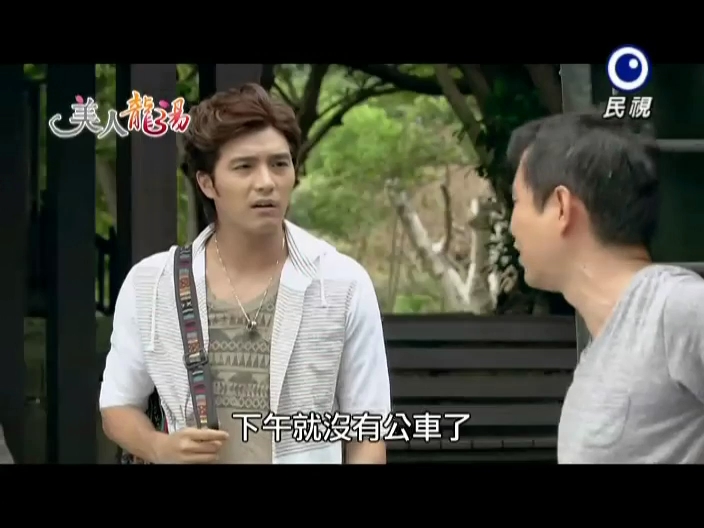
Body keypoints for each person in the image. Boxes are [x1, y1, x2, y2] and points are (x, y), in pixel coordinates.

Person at [99, 84, 390, 464]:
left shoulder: (341, 284)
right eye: (244, 167)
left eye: (279, 164)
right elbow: (118, 404)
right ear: (207, 183)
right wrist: (159, 447)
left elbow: (368, 432)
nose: (266, 182)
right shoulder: (153, 284)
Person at [508, 112, 704, 464]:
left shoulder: (679, 308)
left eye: (517, 202)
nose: (512, 226)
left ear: (561, 208)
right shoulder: (601, 349)